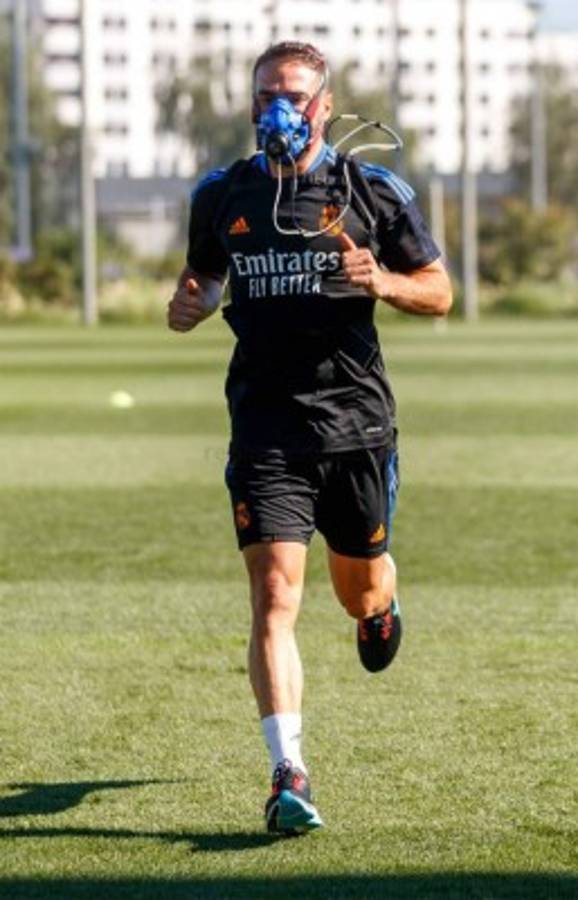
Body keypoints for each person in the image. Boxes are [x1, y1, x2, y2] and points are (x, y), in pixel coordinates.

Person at [168, 41, 452, 836]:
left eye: (292, 95)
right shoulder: (221, 192)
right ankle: (287, 772)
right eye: (265, 95)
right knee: (274, 596)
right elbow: (205, 277)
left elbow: (439, 291)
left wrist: (382, 280)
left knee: (359, 590)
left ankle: (380, 604)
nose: (277, 109)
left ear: (324, 104)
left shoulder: (372, 188)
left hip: (355, 424)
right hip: (266, 424)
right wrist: (192, 301)